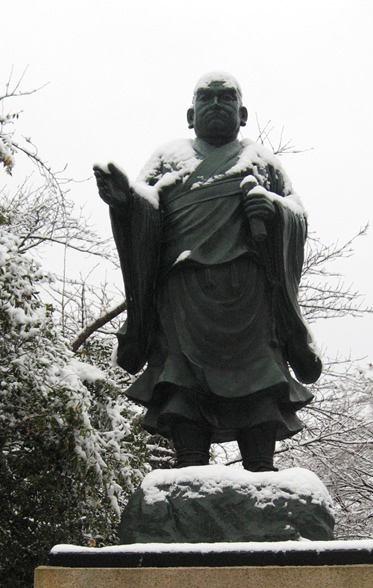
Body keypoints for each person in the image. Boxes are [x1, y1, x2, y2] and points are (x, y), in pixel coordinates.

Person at [94, 72, 321, 471]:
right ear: (190, 113)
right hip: (183, 301)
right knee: (182, 384)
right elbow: (145, 207)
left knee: (260, 386)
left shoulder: (262, 160)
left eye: (226, 98)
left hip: (250, 301)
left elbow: (297, 213)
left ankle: (262, 472)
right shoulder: (169, 158)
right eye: (206, 98)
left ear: (243, 112)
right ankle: (190, 468)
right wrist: (126, 202)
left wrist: (273, 209)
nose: (216, 105)